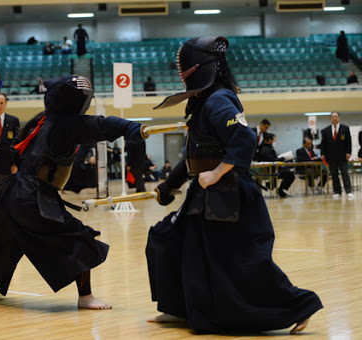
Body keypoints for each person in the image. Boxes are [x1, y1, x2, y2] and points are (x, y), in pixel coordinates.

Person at [146, 36, 322, 334]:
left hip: (231, 196)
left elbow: (243, 139)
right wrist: (168, 185)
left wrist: (215, 174)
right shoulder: (202, 103)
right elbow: (196, 153)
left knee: (243, 264)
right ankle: (181, 308)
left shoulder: (219, 99)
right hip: (206, 196)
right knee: (171, 243)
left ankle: (300, 306)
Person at [0, 75, 147, 310]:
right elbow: (103, 125)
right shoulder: (68, 124)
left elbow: (17, 144)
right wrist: (132, 128)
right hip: (33, 196)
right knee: (80, 238)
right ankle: (85, 296)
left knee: (15, 235)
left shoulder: (44, 119)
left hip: (13, 191)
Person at [320, 111, 353, 199]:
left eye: (336, 116)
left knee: (345, 173)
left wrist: (348, 152)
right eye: (332, 117)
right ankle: (337, 191)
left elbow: (348, 142)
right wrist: (322, 154)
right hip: (331, 157)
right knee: (334, 174)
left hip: (342, 156)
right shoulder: (325, 131)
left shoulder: (345, 129)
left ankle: (348, 191)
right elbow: (323, 144)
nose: (334, 118)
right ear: (331, 119)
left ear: (339, 118)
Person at [257, 133, 295, 198]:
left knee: (288, 171)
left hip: (274, 168)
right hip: (271, 169)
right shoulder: (265, 149)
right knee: (290, 174)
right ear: (269, 140)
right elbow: (271, 160)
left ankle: (272, 185)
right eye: (273, 140)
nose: (274, 142)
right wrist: (282, 158)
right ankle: (277, 188)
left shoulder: (267, 148)